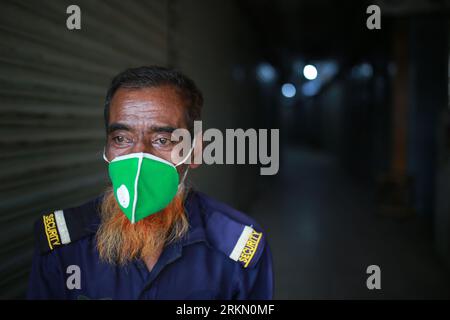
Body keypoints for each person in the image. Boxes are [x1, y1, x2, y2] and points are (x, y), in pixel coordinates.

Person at [27, 66, 273, 299]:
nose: (139, 159)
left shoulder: (237, 250)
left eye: (162, 140)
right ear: (107, 147)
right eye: (122, 138)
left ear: (196, 152)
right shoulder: (63, 247)